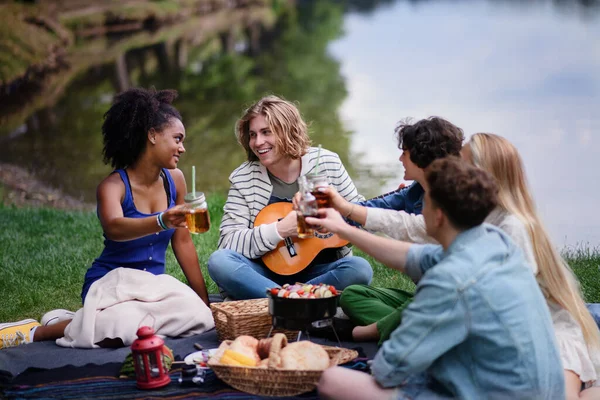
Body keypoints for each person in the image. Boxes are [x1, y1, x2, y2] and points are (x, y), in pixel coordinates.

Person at [342, 133, 600, 398]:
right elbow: (409, 227)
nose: (453, 164)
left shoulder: (511, 227)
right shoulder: (473, 215)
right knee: (367, 298)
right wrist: (345, 214)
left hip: (540, 330)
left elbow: (492, 299)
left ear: (484, 172)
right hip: (475, 312)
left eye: (461, 161)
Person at [0, 87, 213, 349]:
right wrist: (162, 220)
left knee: (197, 316)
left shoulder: (175, 180)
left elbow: (183, 243)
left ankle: (77, 320)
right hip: (112, 282)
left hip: (150, 288)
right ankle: (34, 332)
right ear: (153, 135)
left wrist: (204, 302)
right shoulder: (113, 186)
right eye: (177, 138)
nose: (183, 147)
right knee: (126, 328)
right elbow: (114, 228)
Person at [207, 95, 372, 300]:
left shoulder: (328, 163)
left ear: (288, 131)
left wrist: (333, 222)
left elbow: (361, 220)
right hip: (262, 275)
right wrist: (281, 229)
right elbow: (228, 243)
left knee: (359, 269)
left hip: (321, 271)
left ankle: (279, 302)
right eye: (253, 134)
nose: (258, 142)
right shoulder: (243, 178)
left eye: (266, 132)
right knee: (219, 262)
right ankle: (302, 301)